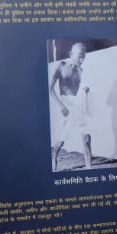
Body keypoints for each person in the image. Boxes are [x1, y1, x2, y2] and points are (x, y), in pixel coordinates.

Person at [50, 42, 92, 171]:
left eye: (84, 57)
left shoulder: (81, 70)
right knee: (63, 139)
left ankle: (89, 167)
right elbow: (50, 89)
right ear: (71, 54)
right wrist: (61, 106)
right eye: (79, 56)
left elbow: (80, 89)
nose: (82, 60)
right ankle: (54, 154)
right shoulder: (61, 66)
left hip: (77, 104)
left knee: (86, 136)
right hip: (65, 103)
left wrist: (86, 91)